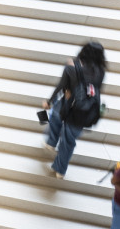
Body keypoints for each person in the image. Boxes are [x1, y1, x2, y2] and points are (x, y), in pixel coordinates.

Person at [43, 41, 107, 179]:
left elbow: (61, 86)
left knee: (55, 115)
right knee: (68, 141)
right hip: (85, 110)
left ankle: (51, 141)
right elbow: (94, 89)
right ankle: (60, 170)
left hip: (68, 104)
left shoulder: (71, 67)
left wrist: (50, 101)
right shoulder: (101, 72)